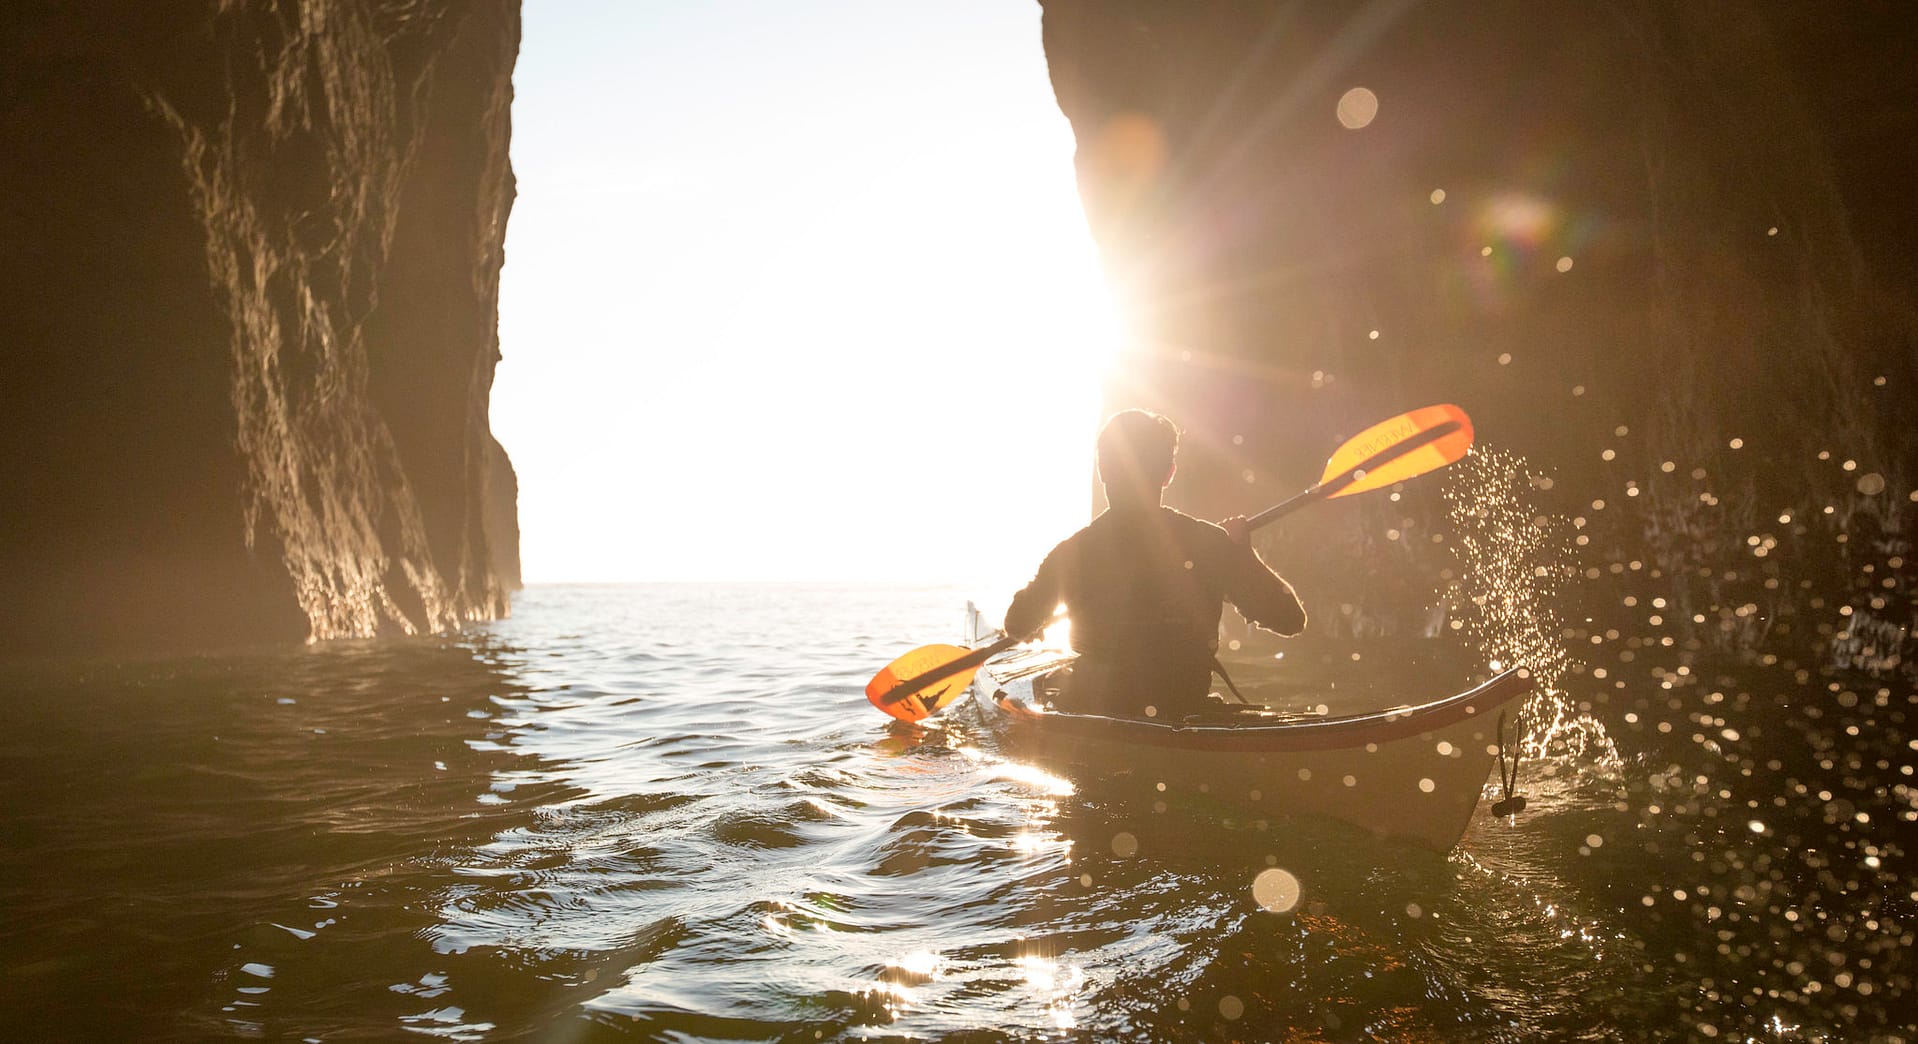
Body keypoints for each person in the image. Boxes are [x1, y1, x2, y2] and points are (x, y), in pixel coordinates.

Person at [1003, 409, 1306, 719]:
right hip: (1184, 707)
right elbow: (1290, 619)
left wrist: (1034, 616)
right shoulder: (1209, 543)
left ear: (1103, 469)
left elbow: (1016, 624)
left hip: (1098, 712)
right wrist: (1244, 556)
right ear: (1168, 473)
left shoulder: (1071, 553)